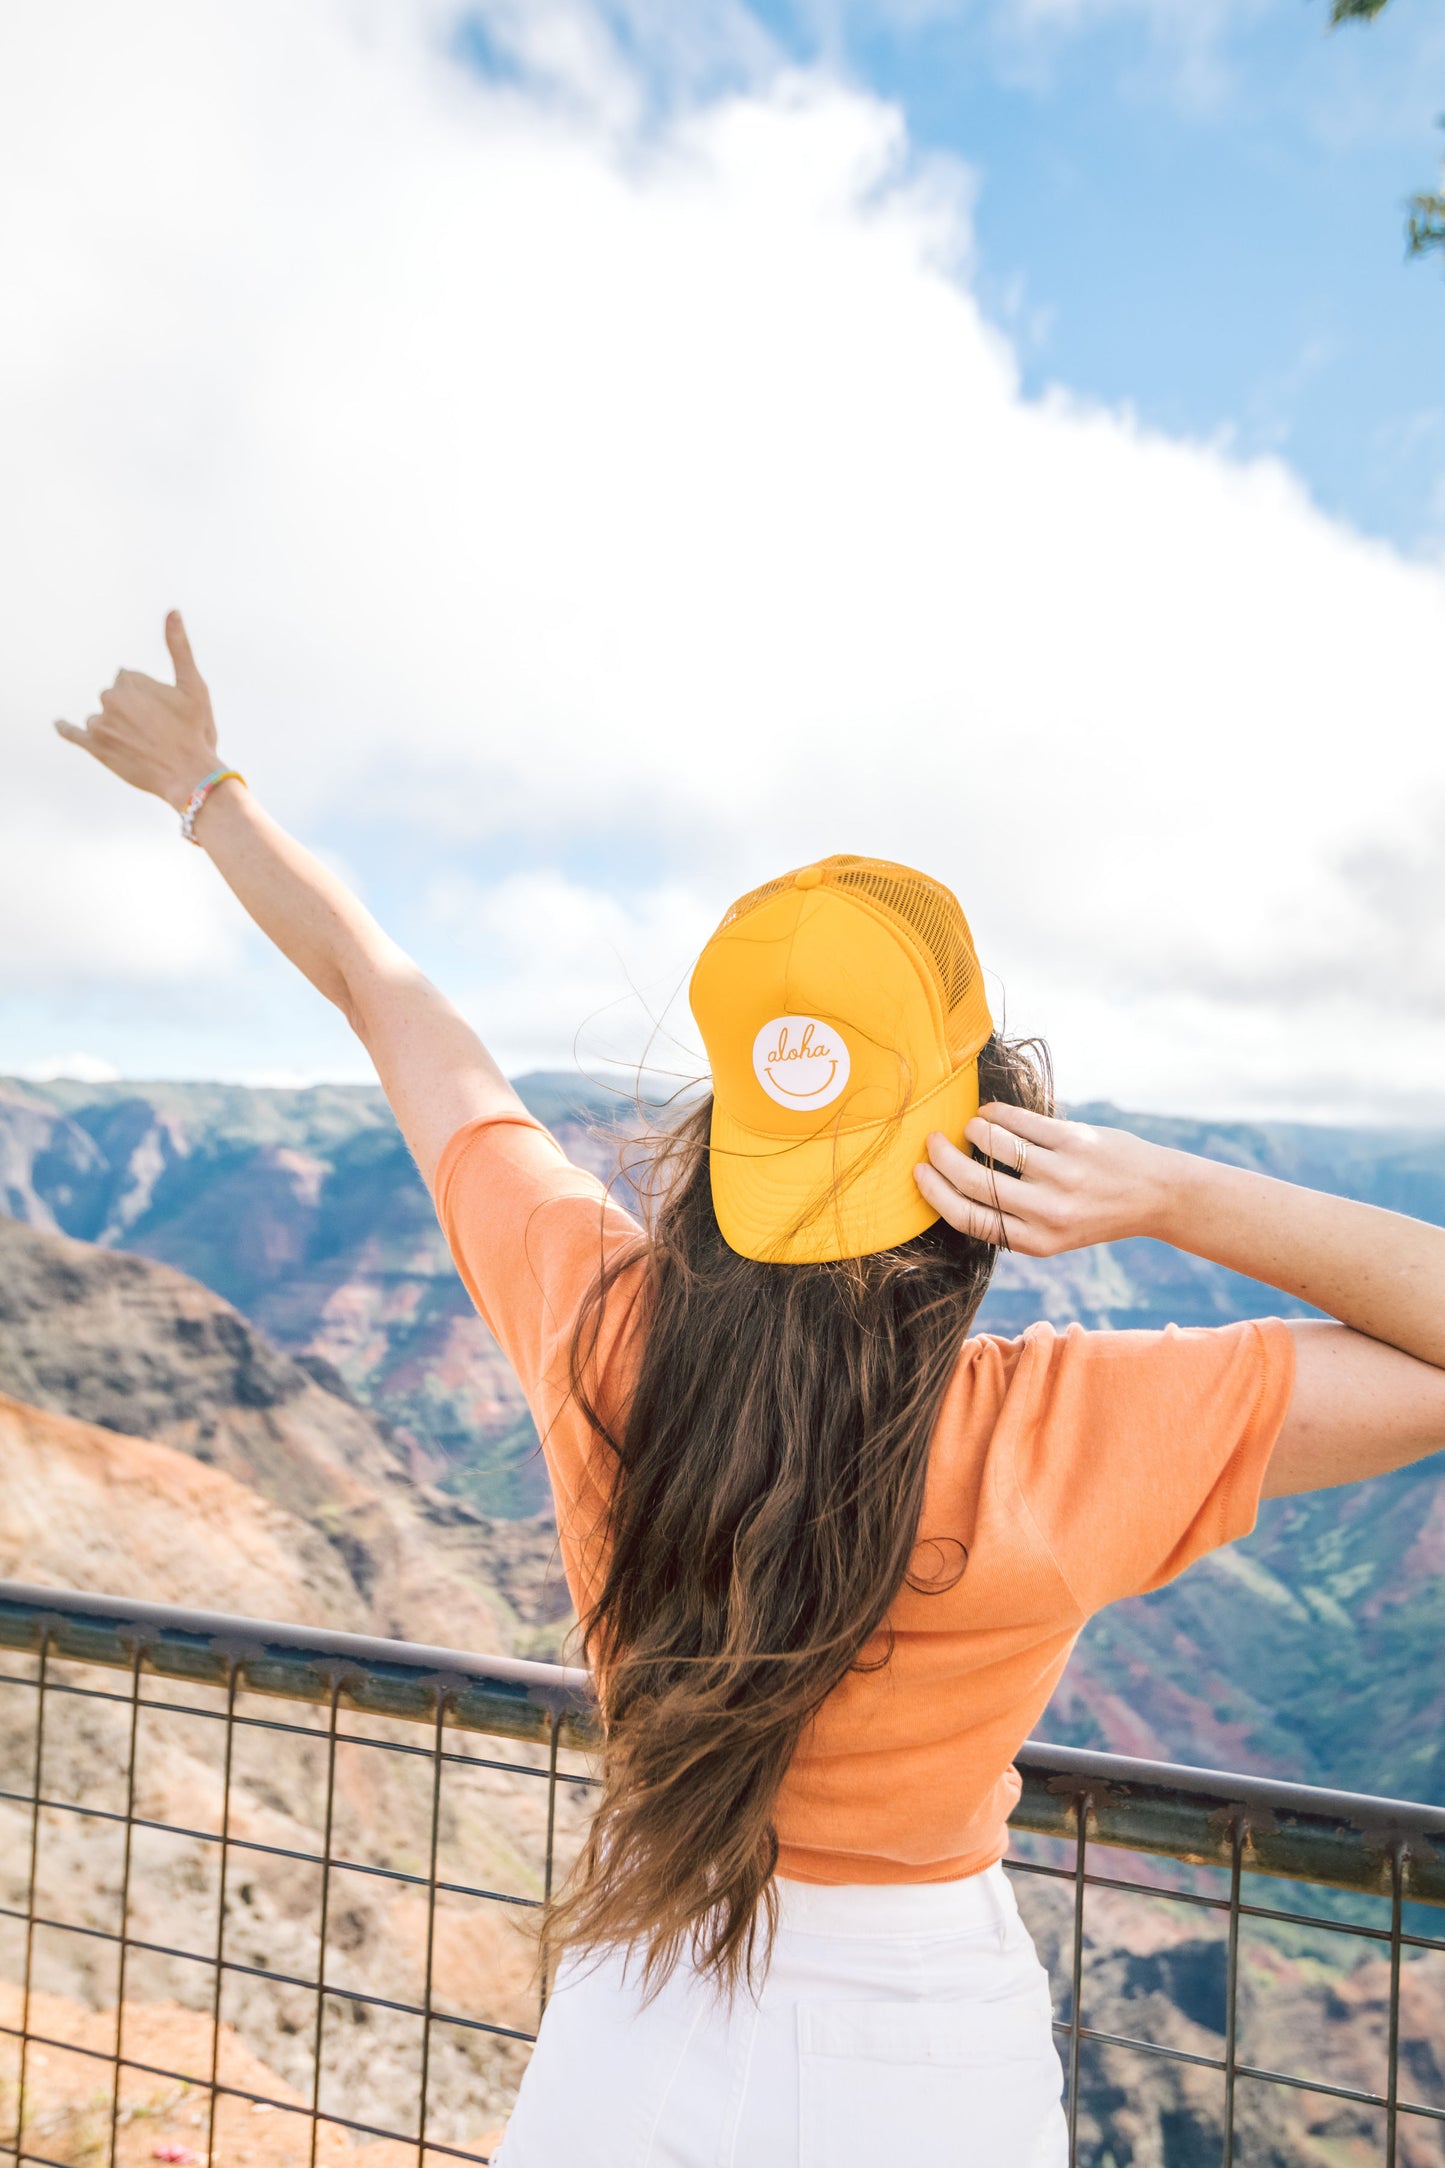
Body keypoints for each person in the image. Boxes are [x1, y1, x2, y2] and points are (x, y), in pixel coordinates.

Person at [56, 616, 1445, 2168]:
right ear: (983, 1132)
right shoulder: (1067, 1428)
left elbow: (391, 1000)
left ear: (733, 1131)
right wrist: (1176, 1195)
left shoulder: (592, 1320)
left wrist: (207, 789)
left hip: (636, 2016)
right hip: (922, 2057)